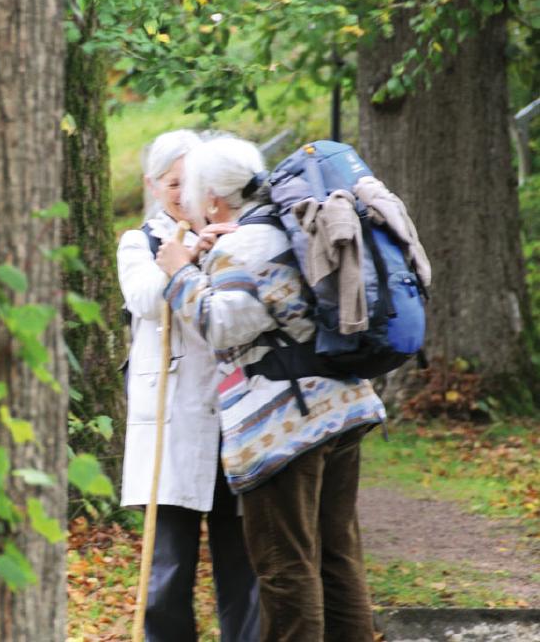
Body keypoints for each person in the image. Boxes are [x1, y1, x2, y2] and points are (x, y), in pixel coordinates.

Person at [154, 135, 386, 642]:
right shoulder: (285, 225)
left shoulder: (243, 245)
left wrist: (178, 274)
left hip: (285, 429)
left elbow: (221, 325)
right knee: (336, 556)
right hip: (342, 408)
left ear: (213, 197)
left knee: (286, 566)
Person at [118, 129, 260, 642]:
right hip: (171, 422)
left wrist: (212, 248)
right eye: (173, 183)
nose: (183, 194)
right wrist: (189, 258)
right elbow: (144, 298)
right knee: (169, 566)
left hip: (234, 416)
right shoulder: (141, 241)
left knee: (242, 560)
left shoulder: (234, 234)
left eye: (192, 183)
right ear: (152, 185)